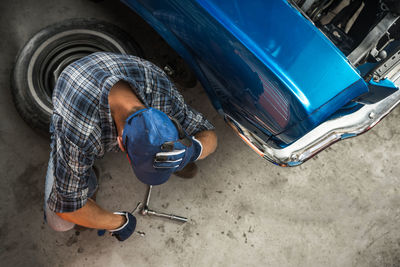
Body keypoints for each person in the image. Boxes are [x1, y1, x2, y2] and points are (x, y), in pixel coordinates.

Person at [43, 52, 217, 241]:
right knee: (60, 222)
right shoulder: (81, 132)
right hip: (73, 95)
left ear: (168, 119)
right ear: (120, 144)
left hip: (109, 71)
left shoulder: (160, 93)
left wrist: (192, 151)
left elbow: (210, 134)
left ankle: (174, 157)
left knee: (189, 147)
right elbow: (68, 209)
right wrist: (119, 222)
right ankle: (89, 179)